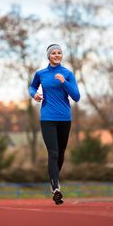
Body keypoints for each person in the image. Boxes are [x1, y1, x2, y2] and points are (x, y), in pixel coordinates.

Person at [29, 44, 80, 205]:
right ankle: (56, 187)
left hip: (65, 118)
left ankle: (54, 178)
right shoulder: (41, 74)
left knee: (61, 152)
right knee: (53, 152)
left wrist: (64, 82)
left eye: (59, 52)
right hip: (47, 118)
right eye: (54, 53)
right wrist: (34, 95)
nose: (57, 55)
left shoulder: (67, 74)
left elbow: (76, 96)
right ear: (48, 56)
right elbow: (32, 87)